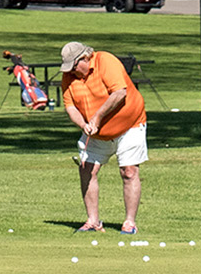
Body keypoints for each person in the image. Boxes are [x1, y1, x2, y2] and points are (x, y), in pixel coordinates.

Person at [60, 41, 148, 235]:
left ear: (84, 58)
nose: (71, 72)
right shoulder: (69, 77)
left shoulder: (105, 61)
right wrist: (84, 125)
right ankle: (92, 221)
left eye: (74, 66)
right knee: (87, 170)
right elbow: (70, 107)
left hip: (130, 124)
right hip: (95, 131)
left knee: (129, 171)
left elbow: (119, 93)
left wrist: (97, 117)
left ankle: (129, 222)